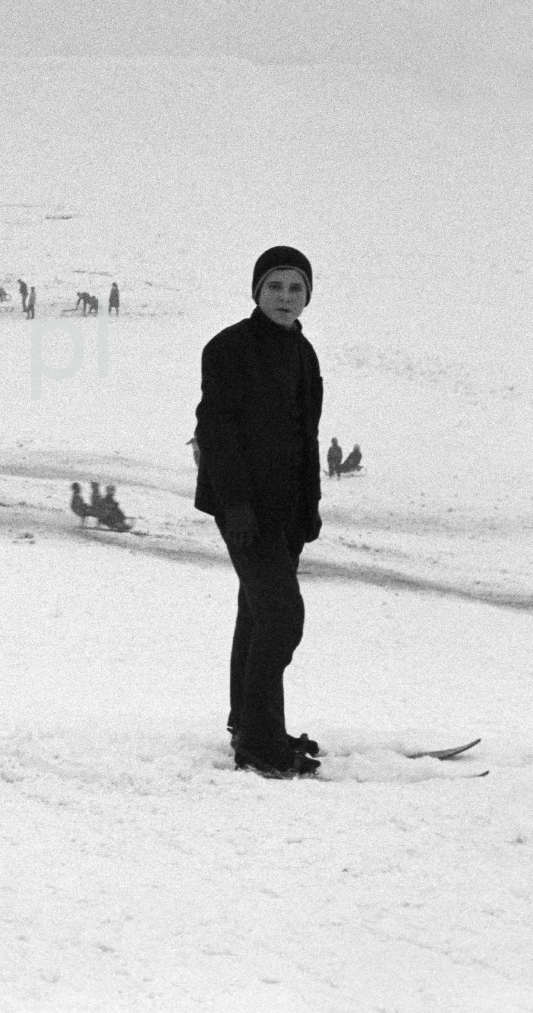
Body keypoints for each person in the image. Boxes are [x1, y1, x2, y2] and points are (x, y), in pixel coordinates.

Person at [194, 246, 324, 779]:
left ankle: (247, 721)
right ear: (257, 291)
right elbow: (216, 431)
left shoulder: (304, 352)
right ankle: (260, 742)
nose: (285, 298)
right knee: (281, 616)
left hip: (286, 508)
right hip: (244, 506)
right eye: (276, 287)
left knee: (256, 612)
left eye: (296, 289)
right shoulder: (228, 348)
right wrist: (237, 506)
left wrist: (309, 506)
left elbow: (306, 436)